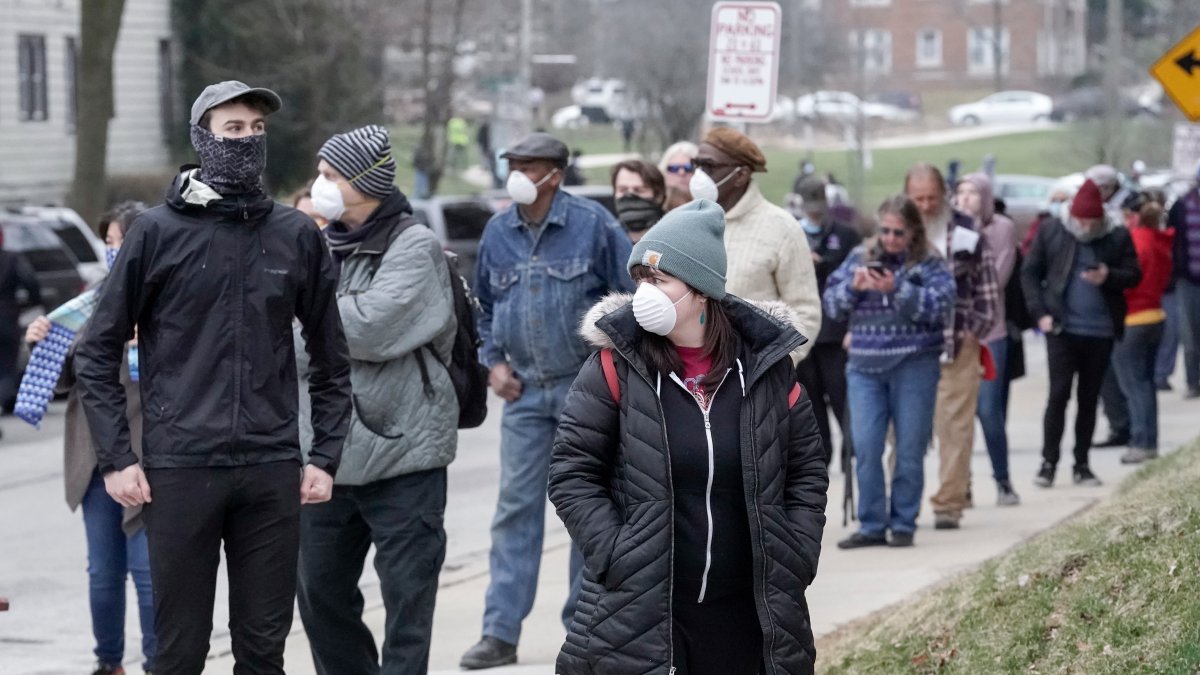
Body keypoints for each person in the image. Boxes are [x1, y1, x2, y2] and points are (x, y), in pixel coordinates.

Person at [75, 80, 353, 674]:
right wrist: (117, 457)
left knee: (263, 652)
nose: (248, 141)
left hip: (271, 468)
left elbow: (332, 356)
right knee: (178, 652)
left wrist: (324, 454)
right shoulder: (155, 233)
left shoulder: (295, 235)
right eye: (233, 129)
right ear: (202, 138)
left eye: (257, 130)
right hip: (179, 470)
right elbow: (95, 351)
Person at [550, 199, 828, 674]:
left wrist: (796, 552)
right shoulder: (614, 366)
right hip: (645, 612)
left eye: (658, 280)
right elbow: (571, 473)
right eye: (639, 279)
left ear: (700, 290)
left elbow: (806, 471)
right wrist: (617, 555)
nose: (643, 293)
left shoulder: (765, 368)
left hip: (748, 614)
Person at [462, 132, 634, 670]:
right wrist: (493, 362)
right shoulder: (498, 232)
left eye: (526, 165)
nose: (515, 173)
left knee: (586, 509)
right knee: (515, 510)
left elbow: (629, 303)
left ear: (553, 175)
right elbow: (484, 308)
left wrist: (609, 375)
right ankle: (500, 632)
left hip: (586, 392)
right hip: (525, 394)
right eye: (511, 163)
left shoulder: (594, 226)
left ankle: (583, 630)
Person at [294, 125, 456, 675]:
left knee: (409, 601)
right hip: (326, 458)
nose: (320, 185)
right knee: (319, 595)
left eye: (331, 174)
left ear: (366, 181)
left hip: (404, 451)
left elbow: (372, 327)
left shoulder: (414, 245)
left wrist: (302, 320)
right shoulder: (314, 242)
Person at [26, 202, 155, 675]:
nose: (112, 249)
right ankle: (108, 663)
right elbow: (63, 383)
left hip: (151, 457)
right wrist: (46, 343)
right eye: (109, 240)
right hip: (95, 457)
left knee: (148, 573)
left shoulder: (170, 297)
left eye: (120, 240)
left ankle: (159, 664)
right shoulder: (89, 303)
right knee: (103, 572)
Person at [826, 196, 956, 548]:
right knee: (866, 447)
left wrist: (896, 288)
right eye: (885, 230)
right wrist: (853, 287)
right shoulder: (859, 257)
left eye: (899, 232)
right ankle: (871, 524)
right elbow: (831, 305)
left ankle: (903, 522)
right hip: (864, 366)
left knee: (910, 447)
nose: (891, 239)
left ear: (913, 231)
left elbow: (942, 307)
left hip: (915, 364)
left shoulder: (928, 263)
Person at [1021, 179, 1141, 489]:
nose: (1086, 227)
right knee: (1058, 395)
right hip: (1062, 327)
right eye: (1081, 221)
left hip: (1100, 330)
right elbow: (1030, 273)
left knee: (1089, 399)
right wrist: (1040, 314)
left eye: (1092, 222)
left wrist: (1108, 276)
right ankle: (1048, 462)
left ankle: (1082, 463)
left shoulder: (1115, 236)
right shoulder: (1053, 230)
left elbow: (1134, 275)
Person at [904, 163, 999, 530]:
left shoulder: (966, 230)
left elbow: (987, 289)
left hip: (957, 343)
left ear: (943, 195)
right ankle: (904, 505)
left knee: (955, 429)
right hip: (907, 349)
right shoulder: (899, 231)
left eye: (932, 197)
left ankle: (948, 503)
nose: (926, 205)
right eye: (919, 198)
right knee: (906, 432)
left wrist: (975, 331)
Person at [693, 127, 822, 362]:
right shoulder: (686, 221)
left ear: (740, 175)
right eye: (697, 165)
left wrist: (771, 371)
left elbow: (806, 313)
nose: (699, 175)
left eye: (709, 167)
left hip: (753, 381)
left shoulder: (782, 228)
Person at [955, 173, 1021, 506]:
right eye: (960, 192)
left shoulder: (1002, 229)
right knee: (957, 416)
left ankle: (1003, 481)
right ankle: (959, 485)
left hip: (989, 333)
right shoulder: (950, 229)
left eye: (972, 193)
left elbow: (998, 274)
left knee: (989, 411)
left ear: (986, 197)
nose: (965, 198)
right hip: (953, 334)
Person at [794, 177, 860, 465]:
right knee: (813, 400)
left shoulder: (846, 236)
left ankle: (852, 449)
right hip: (805, 333)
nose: (814, 213)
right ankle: (822, 456)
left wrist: (823, 263)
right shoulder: (792, 235)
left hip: (835, 331)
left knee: (841, 394)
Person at [1111, 201, 1172, 464]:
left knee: (1133, 385)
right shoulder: (1160, 241)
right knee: (1145, 384)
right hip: (1155, 314)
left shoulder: (1136, 241)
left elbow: (1130, 280)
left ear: (1133, 217)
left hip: (1133, 317)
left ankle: (1141, 441)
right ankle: (1149, 440)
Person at [1168, 164, 1200, 399]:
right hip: (1187, 278)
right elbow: (1172, 240)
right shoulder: (1181, 206)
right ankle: (1193, 382)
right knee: (1190, 335)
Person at [0, 228, 41, 411]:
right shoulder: (11, 259)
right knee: (7, 367)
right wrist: (30, 302)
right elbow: (31, 282)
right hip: (7, 317)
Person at [610, 159, 666, 242]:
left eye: (638, 190)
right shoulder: (606, 238)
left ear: (659, 196)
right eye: (623, 190)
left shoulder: (671, 234)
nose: (629, 195)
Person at [657, 140, 698, 210]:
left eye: (688, 168)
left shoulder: (709, 206)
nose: (681, 173)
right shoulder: (654, 206)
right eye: (674, 168)